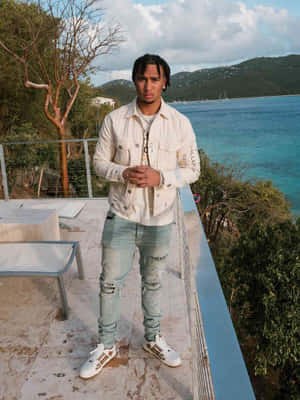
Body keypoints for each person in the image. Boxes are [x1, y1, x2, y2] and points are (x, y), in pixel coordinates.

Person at [79, 54, 200, 380]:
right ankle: (105, 345)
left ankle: (153, 338)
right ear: (134, 80)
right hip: (121, 215)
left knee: (153, 281)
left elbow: (193, 169)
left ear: (165, 82)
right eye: (142, 78)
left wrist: (161, 177)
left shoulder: (180, 123)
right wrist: (123, 173)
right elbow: (100, 164)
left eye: (154, 79)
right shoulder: (115, 120)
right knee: (109, 283)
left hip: (159, 219)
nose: (148, 85)